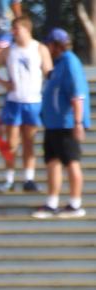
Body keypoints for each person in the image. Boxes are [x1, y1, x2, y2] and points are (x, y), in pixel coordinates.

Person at [33, 28, 91, 219]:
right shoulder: (57, 64)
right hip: (53, 124)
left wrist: (77, 122)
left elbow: (77, 94)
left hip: (66, 123)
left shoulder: (70, 62)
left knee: (71, 162)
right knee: (52, 162)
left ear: (57, 45)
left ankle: (75, 204)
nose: (47, 47)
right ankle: (52, 203)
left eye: (49, 44)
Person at [0, 16, 52, 193]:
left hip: (33, 101)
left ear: (27, 29)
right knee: (11, 143)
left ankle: (29, 178)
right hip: (14, 101)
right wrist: (3, 83)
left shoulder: (39, 48)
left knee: (29, 141)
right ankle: (9, 179)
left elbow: (49, 73)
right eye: (12, 29)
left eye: (16, 28)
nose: (13, 32)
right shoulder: (8, 51)